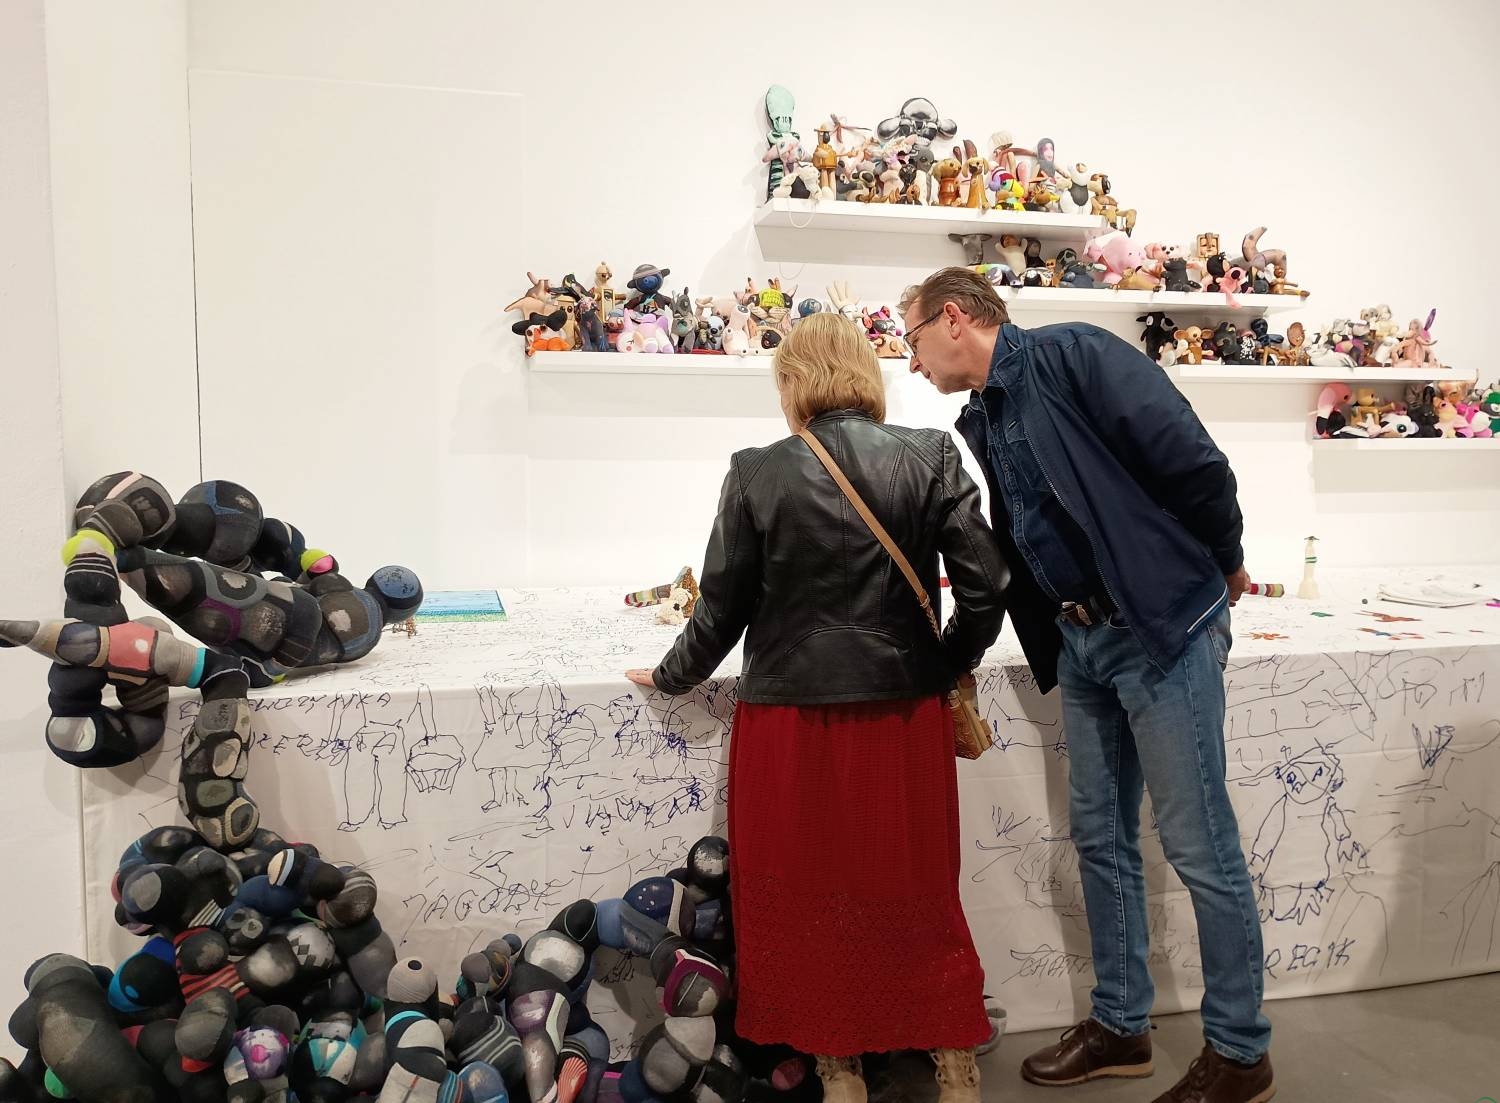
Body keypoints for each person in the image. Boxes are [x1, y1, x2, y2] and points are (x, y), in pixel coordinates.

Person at [899, 267, 1274, 1103]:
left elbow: (1194, 461)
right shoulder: (986, 412)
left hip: (1159, 629)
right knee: (1100, 837)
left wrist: (1222, 560)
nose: (912, 362)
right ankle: (1121, 1024)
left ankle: (1242, 1052)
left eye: (913, 340)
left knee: (1200, 845)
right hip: (1083, 640)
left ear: (953, 317)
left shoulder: (1075, 356)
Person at [625, 312, 1008, 1103]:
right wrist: (944, 661)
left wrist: (669, 675)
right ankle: (952, 1061)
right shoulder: (931, 454)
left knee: (808, 898)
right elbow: (987, 585)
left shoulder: (757, 471)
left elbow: (719, 612)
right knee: (919, 891)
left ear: (792, 382)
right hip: (902, 717)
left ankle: (839, 1069)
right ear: (865, 373)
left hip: (790, 722)